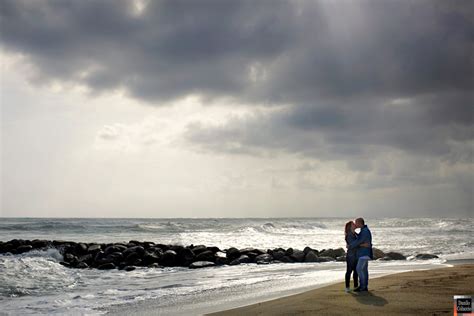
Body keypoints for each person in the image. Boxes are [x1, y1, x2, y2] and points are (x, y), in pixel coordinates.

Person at [347, 217, 373, 292]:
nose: (355, 224)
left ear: (359, 223)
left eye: (356, 222)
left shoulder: (364, 231)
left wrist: (350, 246)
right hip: (364, 253)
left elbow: (358, 241)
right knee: (364, 270)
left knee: (359, 269)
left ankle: (362, 286)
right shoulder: (364, 231)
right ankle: (364, 286)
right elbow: (360, 240)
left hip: (364, 253)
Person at [344, 221, 359, 292]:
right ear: (350, 227)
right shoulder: (349, 235)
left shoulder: (355, 234)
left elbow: (357, 243)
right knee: (349, 271)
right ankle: (347, 287)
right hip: (351, 256)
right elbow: (353, 244)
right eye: (353, 224)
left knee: (356, 271)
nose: (355, 224)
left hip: (356, 255)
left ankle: (356, 286)